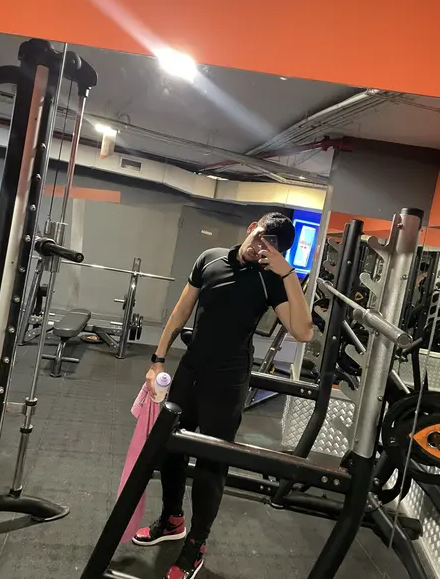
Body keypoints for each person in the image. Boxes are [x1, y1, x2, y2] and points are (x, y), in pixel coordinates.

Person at [133, 212, 313, 579]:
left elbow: (303, 331)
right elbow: (181, 311)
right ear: (251, 228)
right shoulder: (210, 259)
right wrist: (157, 360)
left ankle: (196, 543)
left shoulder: (270, 279)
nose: (261, 248)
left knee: (211, 463)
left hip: (228, 381)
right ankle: (172, 519)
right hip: (191, 369)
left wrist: (288, 274)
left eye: (272, 247)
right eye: (261, 237)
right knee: (170, 448)